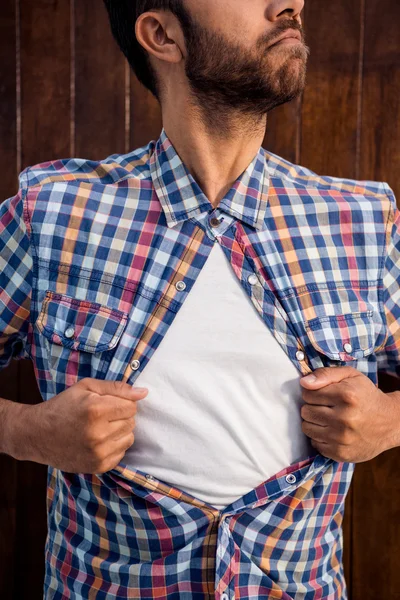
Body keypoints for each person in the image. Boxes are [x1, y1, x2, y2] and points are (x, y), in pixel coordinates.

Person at [1, 0, 400, 598]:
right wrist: (28, 431)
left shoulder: (365, 219)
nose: (290, 4)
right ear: (161, 34)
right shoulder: (50, 212)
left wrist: (391, 421)